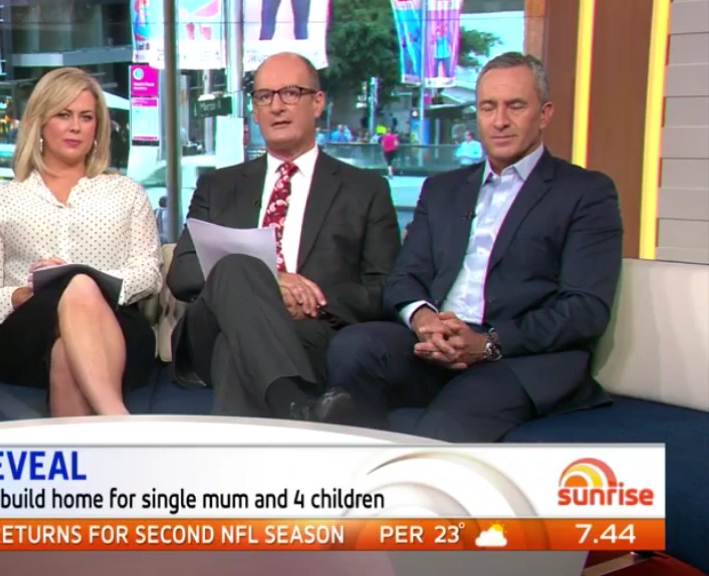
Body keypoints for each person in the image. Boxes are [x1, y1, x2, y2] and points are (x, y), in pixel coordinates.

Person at [327, 52, 624, 442]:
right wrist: (424, 320)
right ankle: (362, 472)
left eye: (515, 106)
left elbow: (585, 309)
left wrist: (487, 343)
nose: (499, 120)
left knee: (445, 426)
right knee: (353, 347)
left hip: (518, 357)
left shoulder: (585, 192)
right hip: (438, 341)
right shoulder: (442, 189)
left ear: (544, 114)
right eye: (488, 107)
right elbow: (404, 276)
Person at [166, 52, 401, 422]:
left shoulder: (365, 190)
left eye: (290, 93)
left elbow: (383, 286)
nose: (276, 106)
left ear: (317, 102)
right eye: (264, 96)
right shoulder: (218, 186)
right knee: (237, 267)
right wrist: (269, 283)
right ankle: (298, 407)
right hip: (209, 328)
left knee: (235, 347)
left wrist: (314, 302)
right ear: (255, 110)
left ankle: (288, 406)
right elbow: (182, 273)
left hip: (310, 330)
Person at [0, 67, 162, 417]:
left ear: (97, 127)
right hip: (28, 330)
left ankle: (105, 430)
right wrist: (20, 294)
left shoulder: (127, 193)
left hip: (116, 325)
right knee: (76, 290)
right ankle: (120, 422)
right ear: (40, 123)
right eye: (63, 115)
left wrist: (94, 283)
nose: (75, 127)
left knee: (69, 339)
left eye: (86, 117)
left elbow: (149, 273)